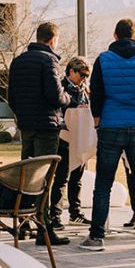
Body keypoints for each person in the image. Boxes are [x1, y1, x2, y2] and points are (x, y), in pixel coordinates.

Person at [80, 19, 135, 252]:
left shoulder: (103, 60)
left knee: (103, 184)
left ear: (115, 35)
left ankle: (96, 236)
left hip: (110, 125)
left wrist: (98, 120)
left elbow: (96, 94)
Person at [5, 22, 76, 245]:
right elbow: (55, 95)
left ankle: (24, 223)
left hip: (26, 125)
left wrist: (23, 115)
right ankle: (44, 230)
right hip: (46, 125)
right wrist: (68, 99)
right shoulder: (49, 61)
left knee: (27, 176)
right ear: (53, 39)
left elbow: (12, 96)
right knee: (44, 178)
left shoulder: (18, 61)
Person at [53, 57, 92, 226]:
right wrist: (76, 108)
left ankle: (75, 213)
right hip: (65, 137)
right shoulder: (61, 87)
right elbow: (60, 108)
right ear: (71, 71)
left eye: (86, 76)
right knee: (61, 178)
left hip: (80, 137)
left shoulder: (84, 89)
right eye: (82, 74)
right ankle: (55, 215)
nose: (84, 78)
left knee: (77, 177)